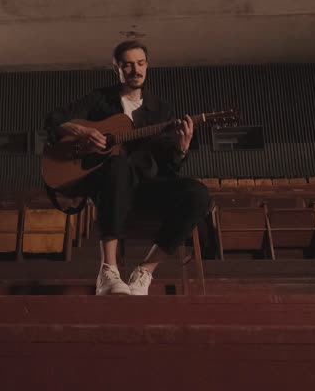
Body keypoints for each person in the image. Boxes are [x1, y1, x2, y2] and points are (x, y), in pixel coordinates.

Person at [44, 40, 211, 295]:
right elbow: (54, 120)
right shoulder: (99, 100)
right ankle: (108, 270)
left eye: (141, 63)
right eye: (128, 65)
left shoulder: (160, 109)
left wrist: (182, 148)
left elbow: (169, 167)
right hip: (110, 185)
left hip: (147, 185)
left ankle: (145, 271)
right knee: (118, 164)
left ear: (148, 65)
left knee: (198, 193)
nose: (136, 70)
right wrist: (83, 130)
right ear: (117, 68)